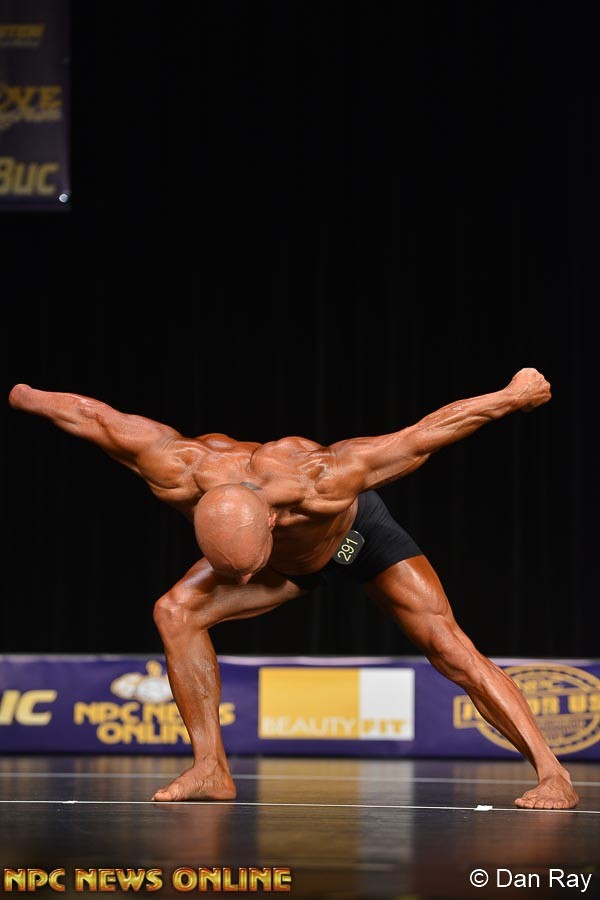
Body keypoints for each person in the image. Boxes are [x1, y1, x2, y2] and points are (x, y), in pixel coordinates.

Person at [7, 369, 579, 810]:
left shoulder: (327, 478)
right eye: (236, 573)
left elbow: (425, 434)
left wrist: (510, 396)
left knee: (450, 647)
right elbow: (93, 416)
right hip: (289, 568)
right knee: (174, 611)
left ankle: (553, 774)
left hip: (358, 540)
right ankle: (210, 768)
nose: (241, 583)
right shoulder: (176, 467)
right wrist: (24, 394)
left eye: (245, 569)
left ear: (272, 521)